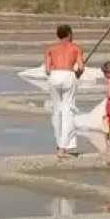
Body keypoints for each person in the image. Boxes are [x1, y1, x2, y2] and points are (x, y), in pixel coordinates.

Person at [43, 24, 85, 159]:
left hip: (54, 76)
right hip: (68, 75)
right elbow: (81, 67)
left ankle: (58, 143)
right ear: (69, 34)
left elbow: (47, 70)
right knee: (68, 110)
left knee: (57, 110)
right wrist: (77, 74)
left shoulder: (50, 48)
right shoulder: (76, 48)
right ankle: (63, 147)